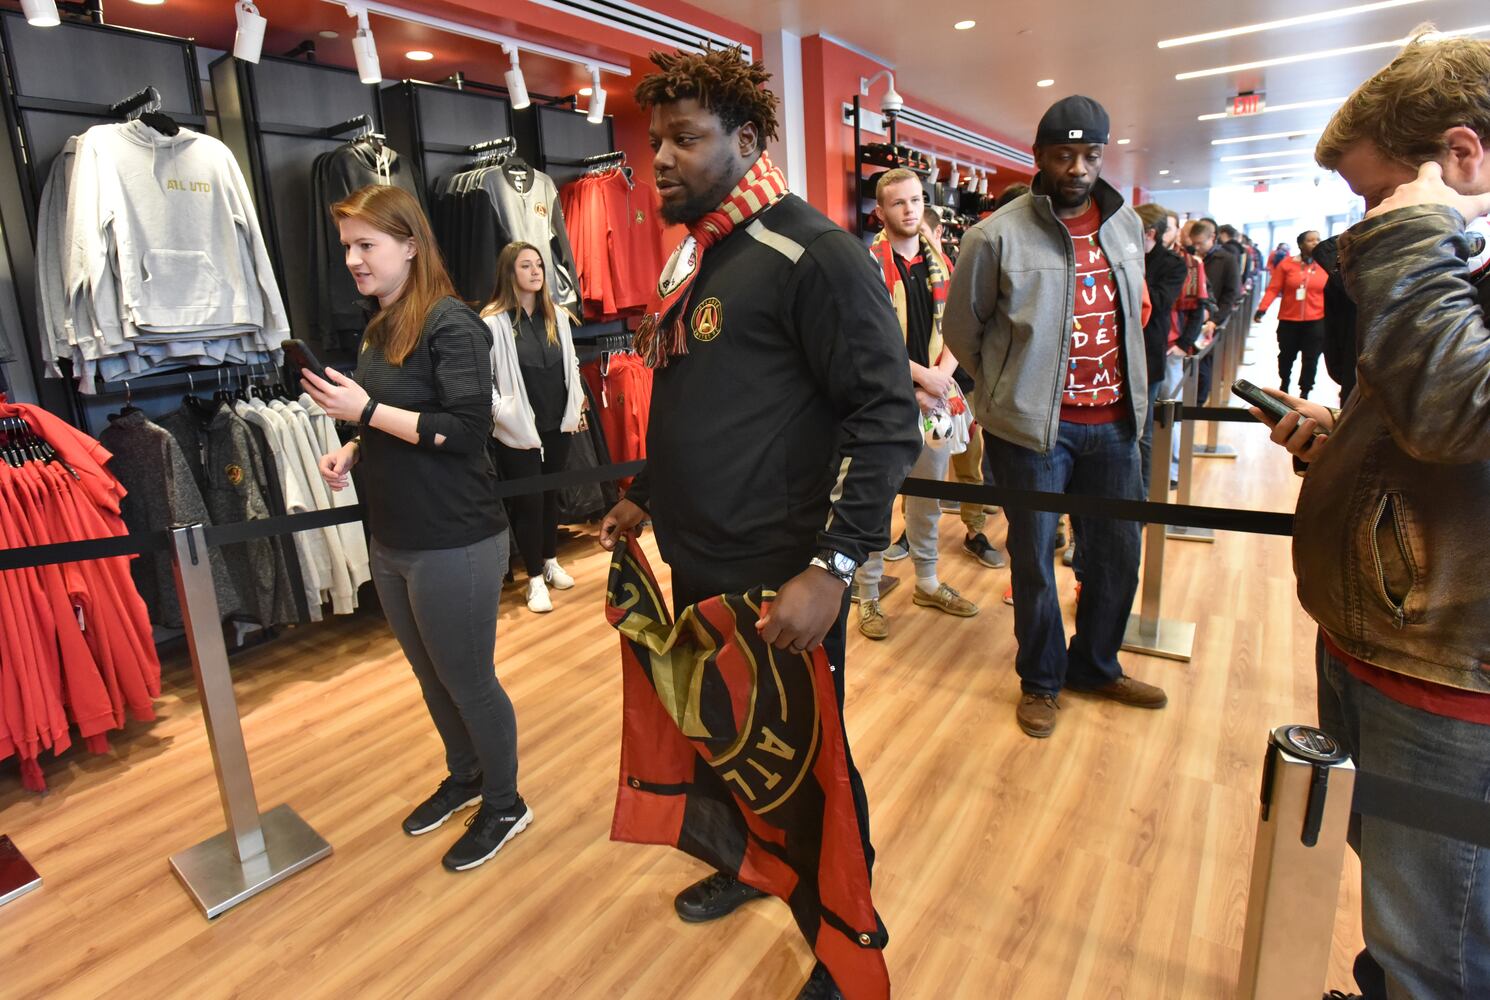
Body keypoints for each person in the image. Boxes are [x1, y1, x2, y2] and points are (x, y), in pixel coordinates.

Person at [596, 48, 920, 1000]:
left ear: (747, 141)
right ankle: (755, 866)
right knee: (728, 740)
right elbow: (707, 403)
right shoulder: (705, 254)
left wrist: (833, 566)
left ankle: (841, 936)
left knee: (810, 766)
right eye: (657, 140)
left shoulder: (811, 252)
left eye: (686, 139)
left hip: (781, 577)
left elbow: (883, 415)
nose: (661, 158)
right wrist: (646, 496)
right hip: (700, 562)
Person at [1258, 26, 1490, 1000]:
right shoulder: (1451, 268)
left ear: (1459, 158)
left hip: (1449, 678)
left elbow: (1448, 411)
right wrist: (1341, 430)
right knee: (1400, 915)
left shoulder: (1429, 252)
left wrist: (1405, 231)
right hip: (1386, 649)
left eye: (1371, 195)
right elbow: (1422, 409)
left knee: (1433, 945)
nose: (1365, 216)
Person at [303, 185, 530, 873]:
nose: (352, 260)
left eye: (365, 245)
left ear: (409, 244)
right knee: (431, 678)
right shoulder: (380, 329)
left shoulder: (452, 324)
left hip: (455, 539)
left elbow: (465, 433)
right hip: (396, 538)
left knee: (467, 679)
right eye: (347, 247)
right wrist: (353, 446)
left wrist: (365, 414)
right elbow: (394, 424)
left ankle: (505, 802)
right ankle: (466, 778)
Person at [943, 95, 1167, 740]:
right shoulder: (995, 235)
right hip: (1032, 432)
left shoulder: (1124, 227)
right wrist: (1007, 386)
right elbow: (964, 327)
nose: (1077, 168)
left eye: (1090, 155)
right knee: (1036, 562)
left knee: (1117, 555)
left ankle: (1095, 666)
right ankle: (1041, 679)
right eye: (1064, 154)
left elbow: (1134, 315)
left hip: (1116, 425)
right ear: (1039, 157)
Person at [855, 168, 979, 640]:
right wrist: (921, 379)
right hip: (886, 403)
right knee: (874, 503)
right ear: (881, 212)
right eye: (898, 203)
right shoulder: (866, 265)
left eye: (916, 200)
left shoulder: (944, 264)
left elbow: (959, 329)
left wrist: (940, 379)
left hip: (937, 402)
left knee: (927, 500)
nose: (910, 209)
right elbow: (869, 340)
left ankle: (927, 581)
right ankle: (867, 593)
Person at [482, 241, 585, 614]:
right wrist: (500, 412)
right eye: (526, 266)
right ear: (510, 273)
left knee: (551, 496)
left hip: (557, 421)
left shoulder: (556, 316)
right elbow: (485, 379)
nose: (536, 271)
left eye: (539, 265)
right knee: (529, 503)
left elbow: (570, 363)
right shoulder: (492, 322)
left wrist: (576, 402)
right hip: (518, 426)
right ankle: (534, 579)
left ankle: (551, 559)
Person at [1134, 203, 1186, 492]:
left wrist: (1131, 271)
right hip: (1113, 356)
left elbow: (1159, 302)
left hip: (1148, 356)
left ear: (1150, 232)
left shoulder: (1173, 264)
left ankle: (1142, 498)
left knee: (1144, 433)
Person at [1254, 229, 1328, 398]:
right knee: (1286, 357)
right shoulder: (1287, 264)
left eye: (1318, 239)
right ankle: (1284, 383)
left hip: (1316, 320)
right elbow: (1273, 289)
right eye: (1311, 240)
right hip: (1289, 320)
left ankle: (1305, 391)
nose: (1316, 243)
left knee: (1311, 359)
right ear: (1301, 244)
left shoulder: (1325, 265)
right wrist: (1262, 309)